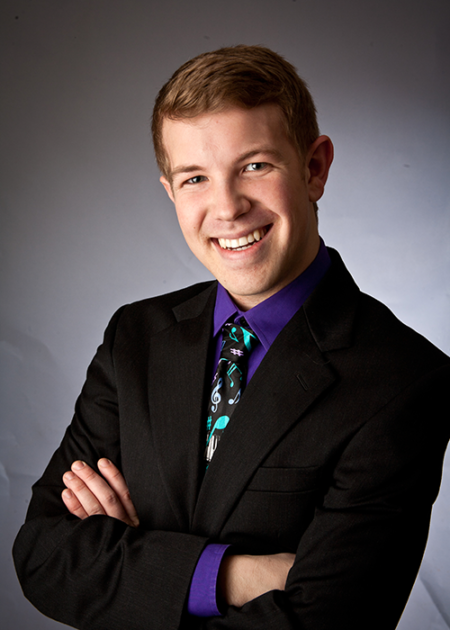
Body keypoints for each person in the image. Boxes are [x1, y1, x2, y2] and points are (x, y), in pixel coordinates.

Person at [13, 45, 450, 630]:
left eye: (255, 166)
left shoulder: (404, 380)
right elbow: (43, 555)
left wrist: (132, 573)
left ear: (314, 168)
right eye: (195, 178)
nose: (227, 207)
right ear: (171, 192)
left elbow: (328, 621)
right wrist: (231, 575)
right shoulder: (134, 338)